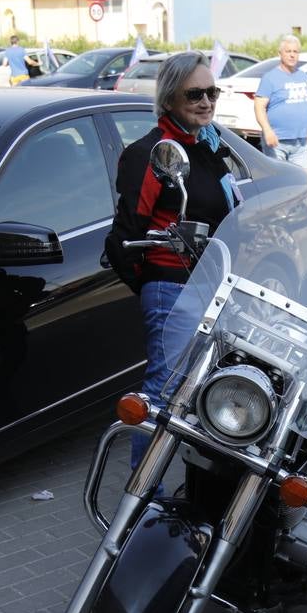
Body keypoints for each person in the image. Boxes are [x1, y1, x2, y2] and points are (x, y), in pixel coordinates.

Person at [103, 51, 241, 467]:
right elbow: (125, 236)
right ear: (169, 99)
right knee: (163, 392)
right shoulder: (156, 153)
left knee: (205, 389)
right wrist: (154, 284)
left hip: (211, 285)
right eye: (194, 94)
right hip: (173, 287)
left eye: (211, 92)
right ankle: (144, 495)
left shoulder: (209, 148)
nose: (206, 101)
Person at [254, 34, 307, 168]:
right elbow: (259, 107)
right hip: (277, 142)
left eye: (295, 51)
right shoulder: (270, 78)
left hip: (300, 144)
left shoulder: (303, 76)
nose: (292, 55)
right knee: (280, 184)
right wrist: (267, 130)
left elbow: (303, 103)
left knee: (301, 183)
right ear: (280, 53)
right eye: (288, 51)